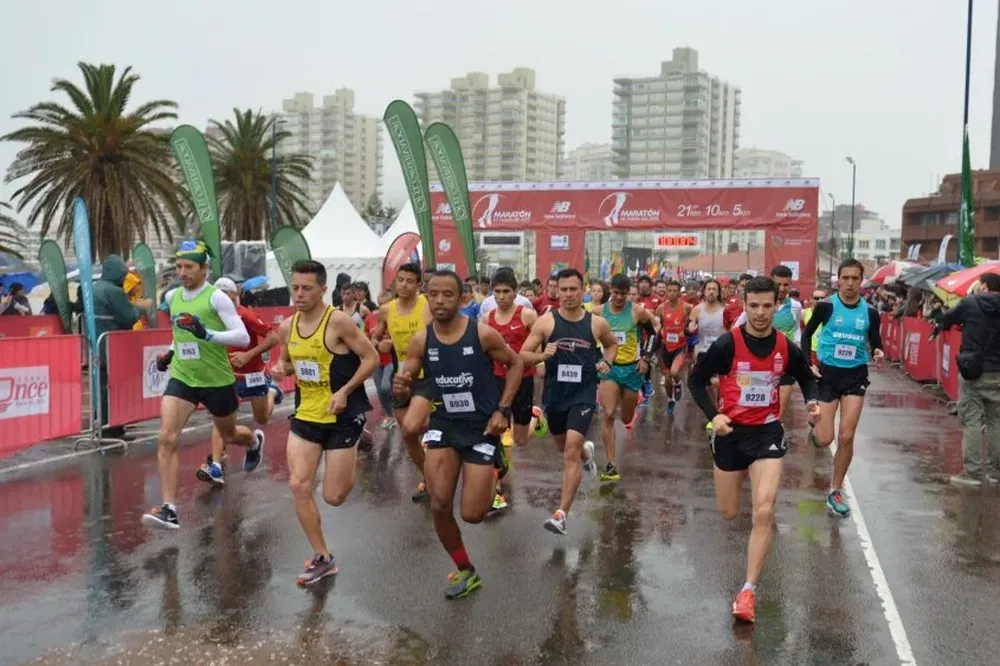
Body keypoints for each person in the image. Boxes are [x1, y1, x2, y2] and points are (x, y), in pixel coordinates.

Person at [688, 276, 820, 623]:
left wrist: (814, 402)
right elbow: (695, 380)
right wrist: (714, 416)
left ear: (777, 306)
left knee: (763, 512)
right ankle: (743, 491)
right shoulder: (727, 346)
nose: (760, 313)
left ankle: (748, 591)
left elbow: (806, 376)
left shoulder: (784, 346)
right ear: (744, 306)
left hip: (766, 434)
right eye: (754, 306)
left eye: (767, 306)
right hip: (730, 434)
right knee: (730, 513)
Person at [393, 270, 523, 599]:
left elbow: (517, 364)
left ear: (462, 297)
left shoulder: (482, 335)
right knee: (439, 504)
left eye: (447, 294)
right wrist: (403, 379)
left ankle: (498, 458)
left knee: (473, 515)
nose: (439, 300)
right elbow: (410, 366)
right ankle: (466, 569)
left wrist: (502, 410)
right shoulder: (422, 339)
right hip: (445, 425)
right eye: (433, 294)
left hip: (481, 428)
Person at [270, 260, 379, 584]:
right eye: (295, 288)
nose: (299, 294)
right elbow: (287, 363)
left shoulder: (339, 322)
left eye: (306, 288)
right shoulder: (287, 327)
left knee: (334, 496)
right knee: (298, 485)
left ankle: (357, 445)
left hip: (342, 416)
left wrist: (345, 390)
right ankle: (323, 557)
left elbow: (371, 357)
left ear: (322, 289)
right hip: (306, 414)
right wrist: (281, 369)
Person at [142, 240, 254, 530]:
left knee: (229, 434)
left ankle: (253, 441)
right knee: (166, 437)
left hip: (217, 380)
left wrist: (208, 334)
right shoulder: (173, 296)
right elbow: (180, 333)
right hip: (183, 377)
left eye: (189, 267)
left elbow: (241, 337)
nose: (182, 272)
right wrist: (170, 352)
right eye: (179, 267)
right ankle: (169, 509)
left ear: (205, 268)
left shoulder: (217, 298)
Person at [521, 268, 618, 536]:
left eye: (573, 289)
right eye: (563, 289)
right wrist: (542, 355)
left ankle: (561, 514)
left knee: (570, 451)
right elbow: (523, 354)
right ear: (556, 291)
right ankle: (587, 454)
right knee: (566, 448)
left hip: (584, 394)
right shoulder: (545, 322)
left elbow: (611, 345)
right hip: (555, 396)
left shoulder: (596, 323)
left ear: (582, 290)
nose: (568, 294)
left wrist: (606, 362)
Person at [802, 259, 884, 517]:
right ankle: (815, 427)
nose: (850, 283)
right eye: (845, 278)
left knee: (846, 436)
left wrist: (879, 351)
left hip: (855, 375)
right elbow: (806, 335)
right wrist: (808, 364)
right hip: (828, 375)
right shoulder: (827, 306)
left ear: (861, 281)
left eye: (855, 279)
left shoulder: (870, 312)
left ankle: (834, 490)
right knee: (825, 439)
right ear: (838, 280)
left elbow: (875, 341)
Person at [205, 277, 283, 477]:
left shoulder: (245, 315)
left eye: (226, 293)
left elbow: (273, 337)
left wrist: (248, 354)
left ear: (235, 294)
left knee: (262, 418)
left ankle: (272, 392)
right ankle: (215, 466)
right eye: (218, 293)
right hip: (228, 377)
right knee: (221, 421)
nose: (221, 297)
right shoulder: (214, 316)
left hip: (253, 375)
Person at [931, 272, 1000, 485]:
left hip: (974, 371)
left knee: (971, 420)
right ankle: (996, 472)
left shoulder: (971, 303)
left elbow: (947, 318)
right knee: (995, 421)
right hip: (998, 371)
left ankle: (972, 473)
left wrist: (938, 312)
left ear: (985, 286)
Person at [370, 262, 432, 501]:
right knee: (408, 433)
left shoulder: (427, 306)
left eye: (409, 281)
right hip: (401, 378)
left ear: (419, 285)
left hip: (428, 376)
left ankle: (435, 479)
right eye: (400, 279)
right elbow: (374, 338)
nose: (403, 285)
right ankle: (429, 478)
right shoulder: (386, 310)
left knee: (418, 427)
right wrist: (379, 344)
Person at [598, 274, 660, 480]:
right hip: (610, 369)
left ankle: (634, 402)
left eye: (623, 294)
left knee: (625, 417)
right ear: (610, 291)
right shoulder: (599, 312)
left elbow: (652, 334)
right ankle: (611, 464)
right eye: (616, 293)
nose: (619, 298)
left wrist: (646, 357)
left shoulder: (637, 311)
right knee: (607, 413)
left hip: (632, 370)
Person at [736, 266, 803, 421]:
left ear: (790, 284)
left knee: (778, 413)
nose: (781, 288)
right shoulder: (757, 306)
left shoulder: (796, 306)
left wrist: (796, 348)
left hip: (784, 364)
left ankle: (774, 439)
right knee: (754, 408)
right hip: (759, 364)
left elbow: (796, 329)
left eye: (785, 285)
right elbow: (736, 329)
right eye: (778, 284)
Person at [689, 279, 725, 430]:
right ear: (704, 291)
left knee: (719, 384)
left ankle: (720, 412)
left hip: (720, 352)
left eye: (714, 289)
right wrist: (691, 327)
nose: (711, 292)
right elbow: (690, 328)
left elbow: (729, 330)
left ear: (718, 292)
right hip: (703, 351)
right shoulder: (697, 309)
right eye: (709, 289)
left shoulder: (725, 310)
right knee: (707, 385)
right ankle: (714, 415)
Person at [655, 279, 691, 412]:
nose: (671, 293)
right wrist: (660, 329)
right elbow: (656, 324)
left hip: (680, 347)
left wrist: (686, 330)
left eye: (674, 291)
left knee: (674, 372)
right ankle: (670, 400)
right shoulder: (661, 308)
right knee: (667, 378)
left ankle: (679, 383)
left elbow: (693, 320)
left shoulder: (686, 307)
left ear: (679, 292)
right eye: (669, 290)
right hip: (665, 347)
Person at [366, 290, 396, 427]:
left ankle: (394, 411)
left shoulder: (396, 318)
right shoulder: (371, 318)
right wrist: (374, 343)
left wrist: (391, 344)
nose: (382, 308)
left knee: (385, 387)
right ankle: (389, 414)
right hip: (377, 360)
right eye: (380, 304)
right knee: (380, 390)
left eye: (385, 304)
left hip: (391, 359)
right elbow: (366, 337)